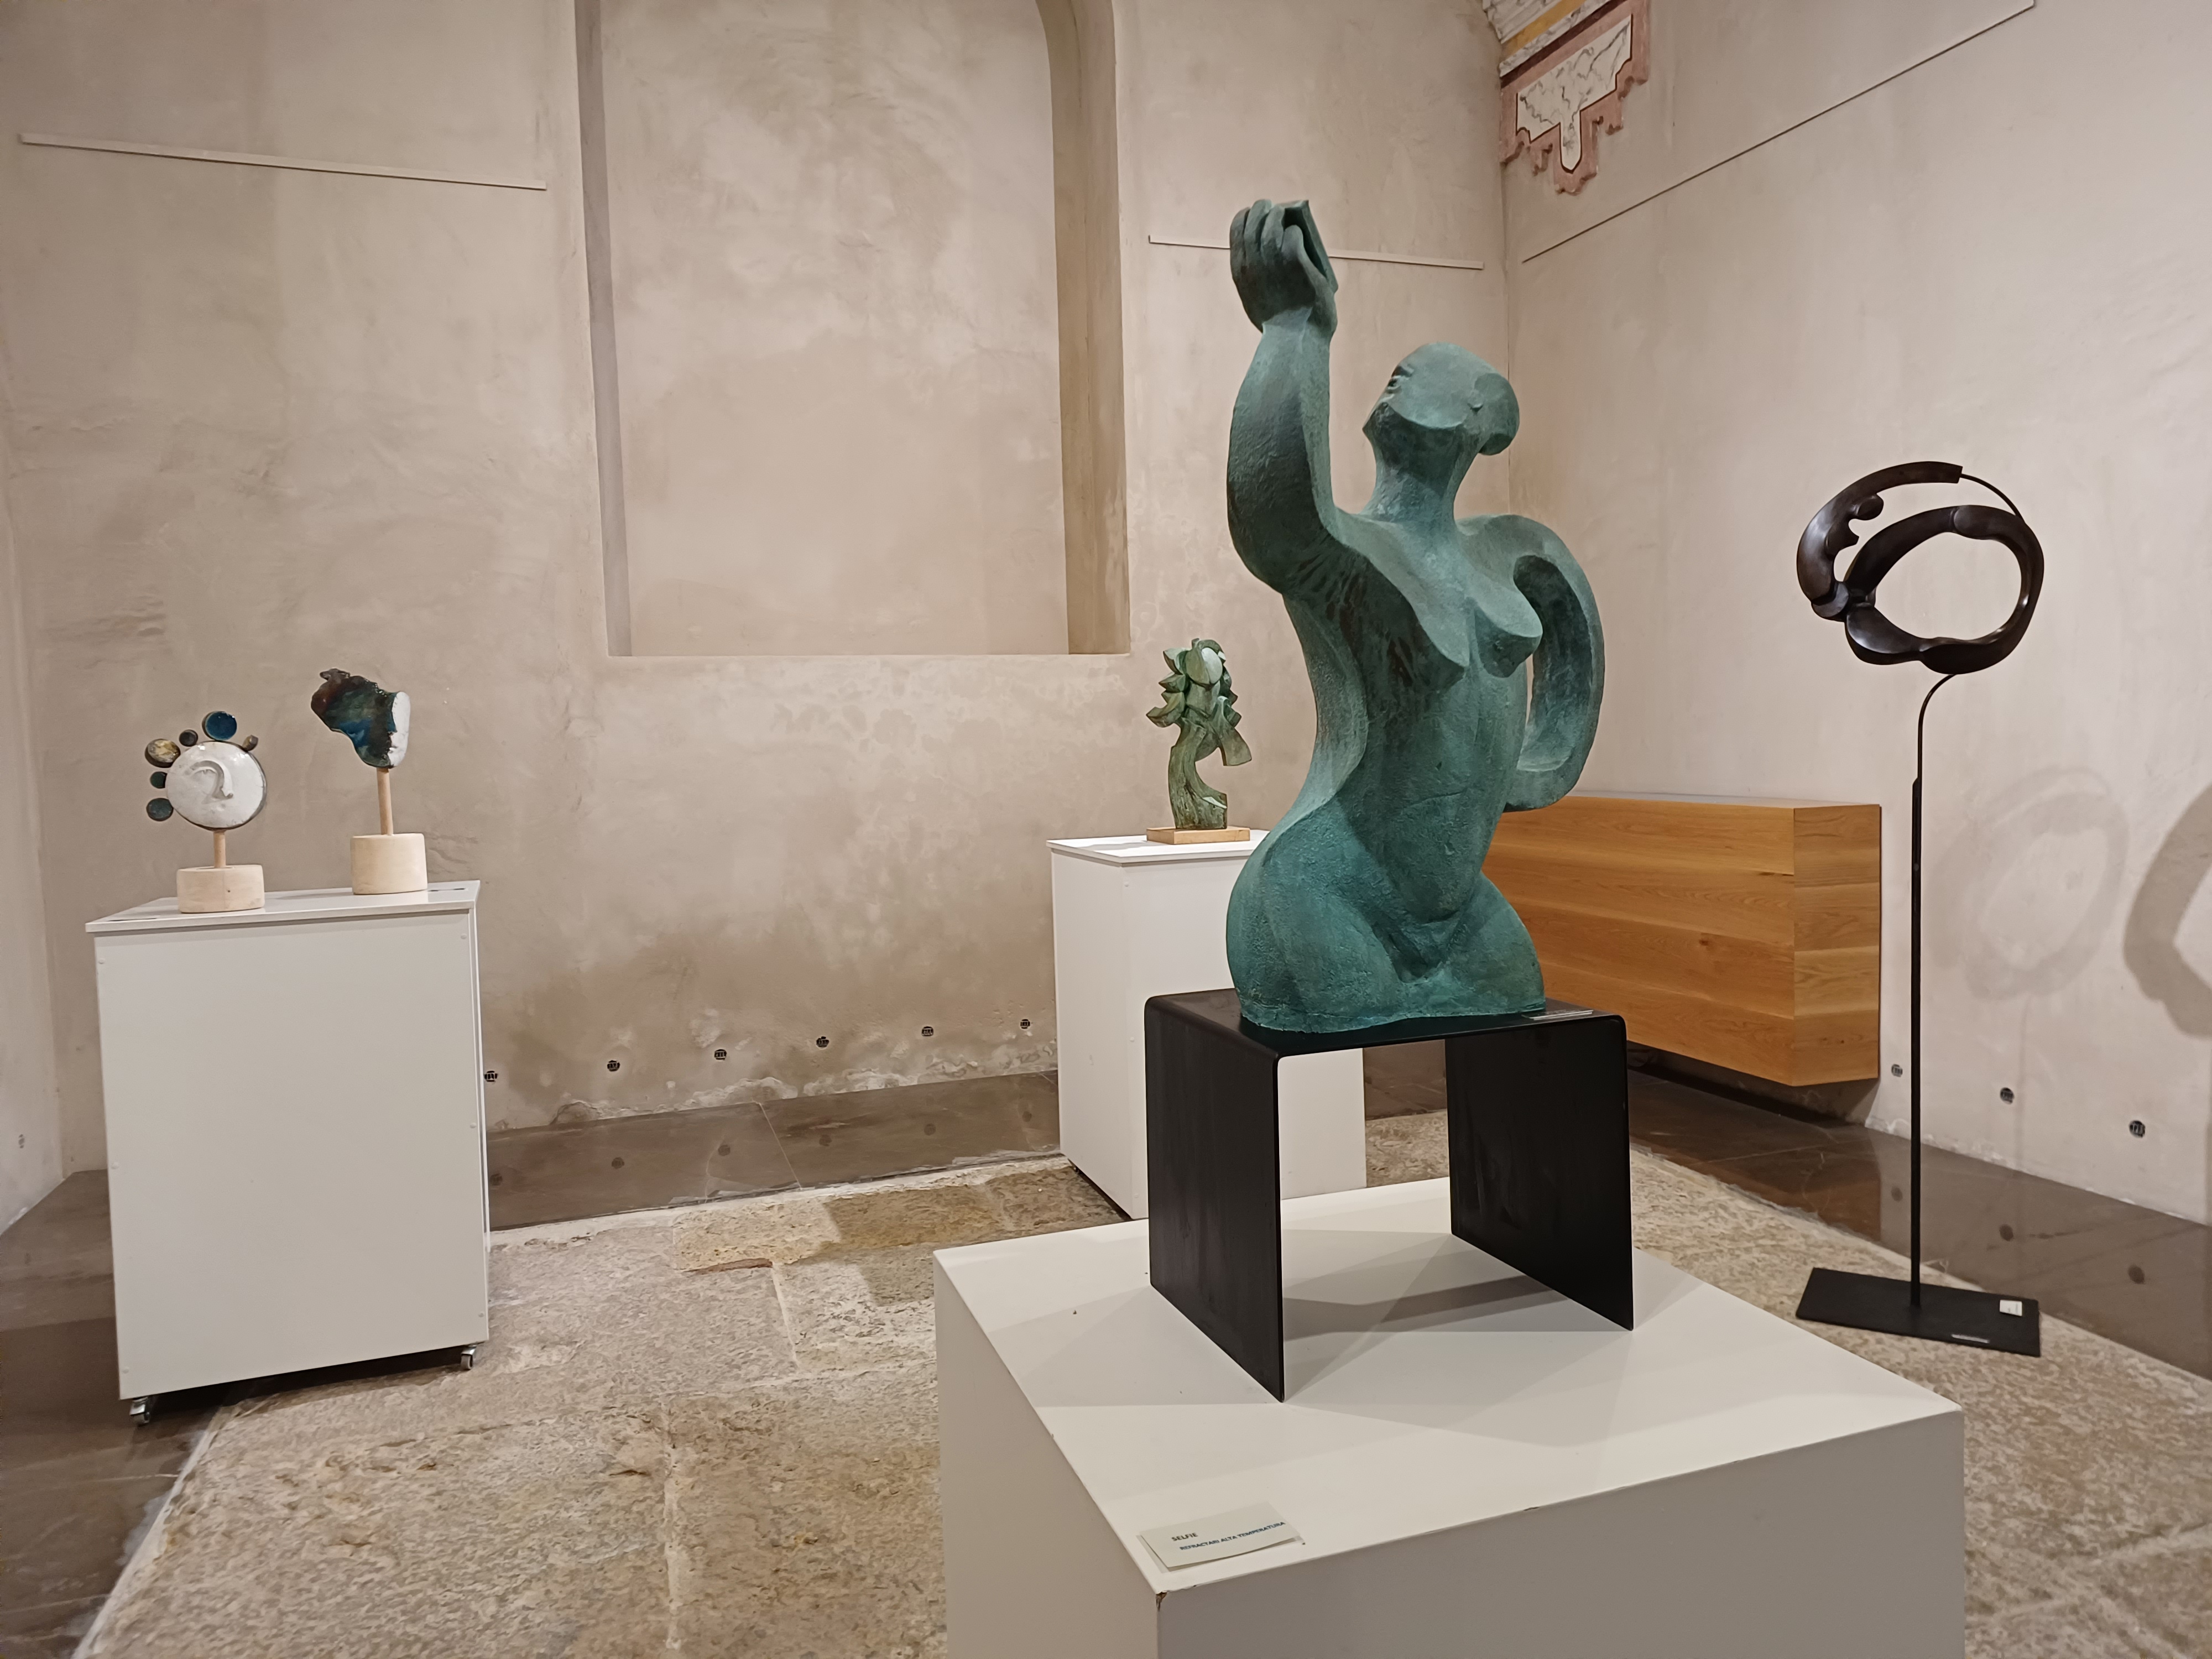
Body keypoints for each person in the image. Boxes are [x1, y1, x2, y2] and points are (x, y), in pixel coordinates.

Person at [1223, 199, 1603, 1033]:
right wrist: (1294, 329)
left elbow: (1569, 694)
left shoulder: (1511, 552)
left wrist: (1528, 775)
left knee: (1525, 1014)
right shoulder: (1356, 550)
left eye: (1420, 370)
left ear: (1480, 416)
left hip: (1460, 913)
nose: (1395, 375)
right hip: (1325, 888)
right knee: (1342, 1016)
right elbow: (1279, 518)